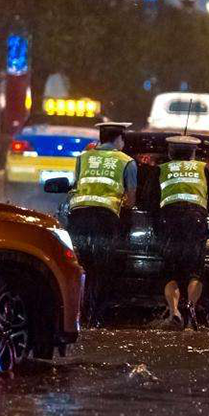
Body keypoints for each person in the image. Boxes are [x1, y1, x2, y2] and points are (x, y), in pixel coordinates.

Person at [68, 122, 137, 324]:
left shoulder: (83, 158)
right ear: (118, 139)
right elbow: (131, 199)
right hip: (105, 219)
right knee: (103, 267)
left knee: (78, 264)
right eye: (123, 139)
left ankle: (75, 312)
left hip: (78, 216)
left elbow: (76, 185)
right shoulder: (126, 162)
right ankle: (96, 317)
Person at [158, 135, 209, 329]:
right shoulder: (204, 168)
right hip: (196, 221)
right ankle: (191, 309)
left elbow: (148, 197)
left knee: (171, 270)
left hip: (169, 221)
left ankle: (174, 311)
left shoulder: (161, 169)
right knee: (195, 270)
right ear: (194, 153)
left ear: (171, 152)